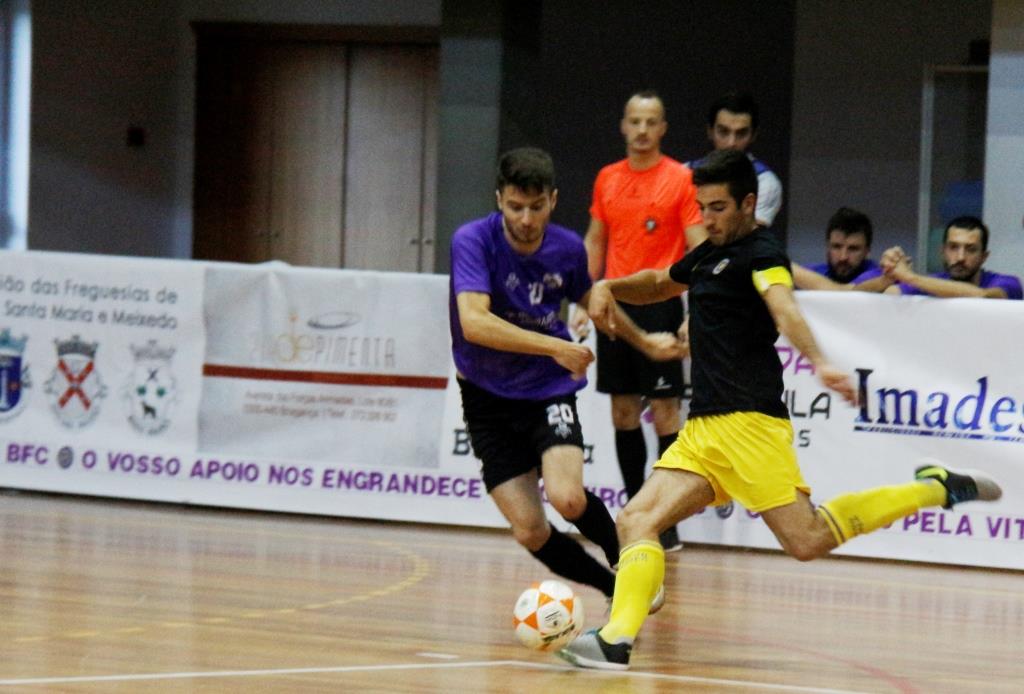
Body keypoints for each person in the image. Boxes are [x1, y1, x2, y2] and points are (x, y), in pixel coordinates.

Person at [557, 149, 1002, 671]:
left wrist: (819, 362)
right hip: (704, 427)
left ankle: (936, 487)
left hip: (750, 425)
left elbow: (783, 306)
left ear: (748, 203)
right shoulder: (706, 253)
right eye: (701, 206)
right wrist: (608, 284)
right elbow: (660, 281)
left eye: (718, 207)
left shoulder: (762, 254)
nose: (707, 218)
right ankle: (616, 639)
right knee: (636, 518)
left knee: (807, 540)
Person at [450, 146, 685, 604]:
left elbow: (593, 304)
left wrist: (645, 342)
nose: (525, 218)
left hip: (547, 391)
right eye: (515, 206)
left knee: (569, 499)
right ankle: (614, 589)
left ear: (553, 201)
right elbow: (474, 323)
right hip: (485, 399)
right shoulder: (473, 241)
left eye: (536, 207)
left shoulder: (567, 248)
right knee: (529, 529)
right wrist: (556, 345)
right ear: (499, 199)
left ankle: (629, 556)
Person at [570, 90, 706, 553]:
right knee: (623, 412)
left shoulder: (681, 179)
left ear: (663, 128)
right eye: (635, 121)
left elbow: (699, 248)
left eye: (651, 122)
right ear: (623, 126)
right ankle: (636, 515)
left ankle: (664, 518)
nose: (643, 130)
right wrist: (582, 297)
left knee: (666, 412)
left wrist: (696, 308)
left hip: (664, 303)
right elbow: (595, 239)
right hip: (615, 304)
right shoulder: (607, 179)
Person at [689, 91, 783, 227]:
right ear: (710, 131)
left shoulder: (765, 183)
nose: (731, 142)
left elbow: (745, 241)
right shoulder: (684, 173)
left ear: (753, 135)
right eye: (723, 131)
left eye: (741, 133)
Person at [882, 216, 1023, 299]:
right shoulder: (931, 282)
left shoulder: (1008, 283)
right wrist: (890, 274)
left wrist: (910, 277)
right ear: (943, 251)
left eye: (971, 249)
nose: (960, 257)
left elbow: (984, 297)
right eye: (953, 247)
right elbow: (889, 295)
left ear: (984, 257)